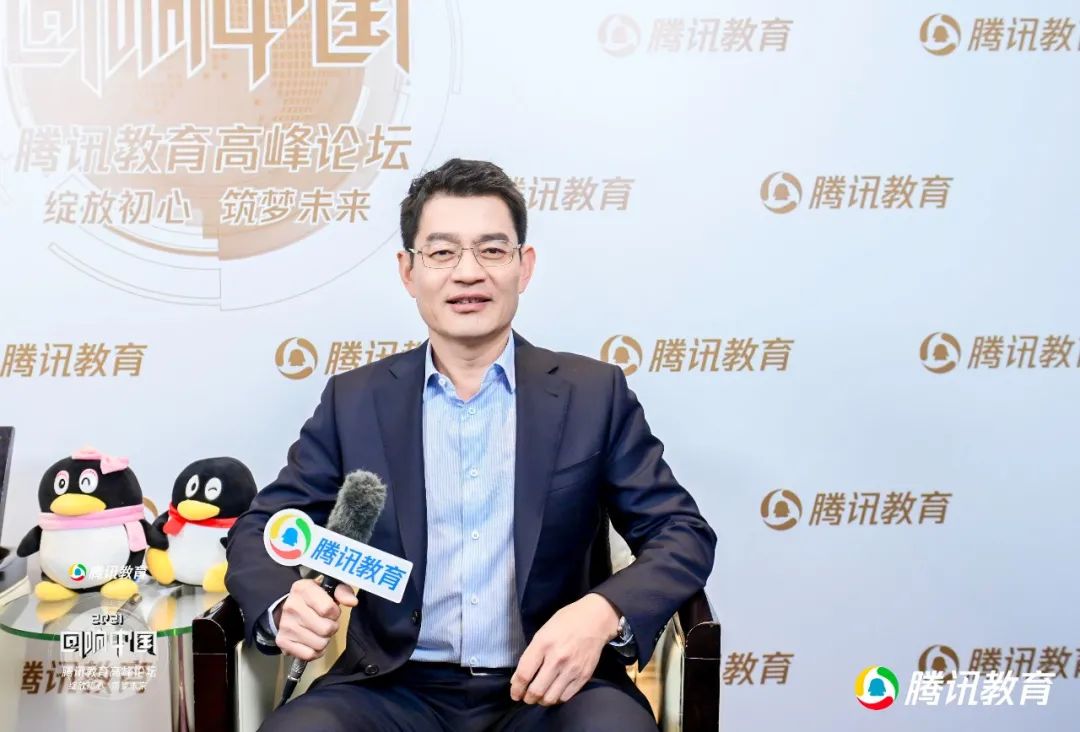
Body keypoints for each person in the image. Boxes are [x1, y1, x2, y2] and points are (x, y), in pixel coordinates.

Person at [225, 158, 717, 731]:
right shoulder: (355, 401)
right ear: (408, 271)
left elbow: (681, 532)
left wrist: (600, 612)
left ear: (523, 267)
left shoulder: (592, 395)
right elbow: (262, 528)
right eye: (441, 252)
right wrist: (284, 604)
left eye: (491, 250)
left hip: (554, 685)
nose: (468, 273)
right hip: (390, 688)